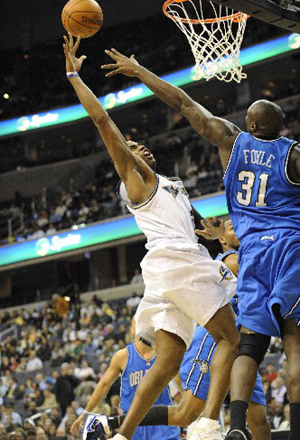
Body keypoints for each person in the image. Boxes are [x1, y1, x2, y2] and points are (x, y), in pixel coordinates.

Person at [101, 49, 300, 440]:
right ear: (280, 128)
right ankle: (213, 423)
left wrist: (141, 70)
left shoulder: (228, 142)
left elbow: (183, 102)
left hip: (252, 254)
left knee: (247, 349)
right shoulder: (291, 154)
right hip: (281, 249)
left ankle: (234, 425)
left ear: (250, 123)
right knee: (288, 343)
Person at [63, 33, 239, 440]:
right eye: (132, 149)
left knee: (168, 363)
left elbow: (190, 222)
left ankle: (122, 434)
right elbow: (103, 121)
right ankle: (210, 422)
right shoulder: (138, 182)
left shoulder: (170, 183)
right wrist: (74, 76)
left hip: (168, 272)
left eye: (140, 146)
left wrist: (214, 235)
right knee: (230, 338)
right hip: (175, 261)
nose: (138, 147)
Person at [87, 220, 271, 440]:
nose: (241, 231)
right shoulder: (229, 261)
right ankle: (115, 423)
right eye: (234, 229)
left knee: (258, 418)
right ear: (222, 239)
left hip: (242, 345)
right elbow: (261, 258)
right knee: (186, 414)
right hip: (214, 340)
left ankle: (109, 422)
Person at [70, 318, 180, 440]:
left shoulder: (165, 353)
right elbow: (104, 385)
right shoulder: (123, 356)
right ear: (132, 329)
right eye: (141, 323)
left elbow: (180, 383)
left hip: (162, 422)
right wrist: (86, 412)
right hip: (133, 425)